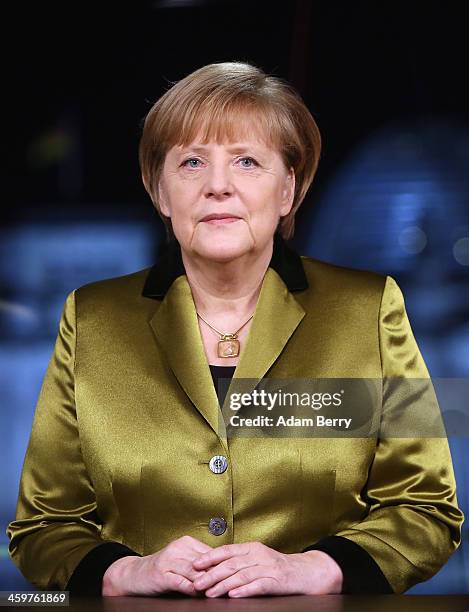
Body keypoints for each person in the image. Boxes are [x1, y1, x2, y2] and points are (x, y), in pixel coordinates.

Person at [7, 61, 463, 598]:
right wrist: (123, 572)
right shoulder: (92, 320)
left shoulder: (367, 309)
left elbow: (425, 509)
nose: (217, 186)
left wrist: (319, 568)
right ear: (160, 191)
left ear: (288, 189)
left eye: (247, 162)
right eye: (192, 163)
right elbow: (42, 527)